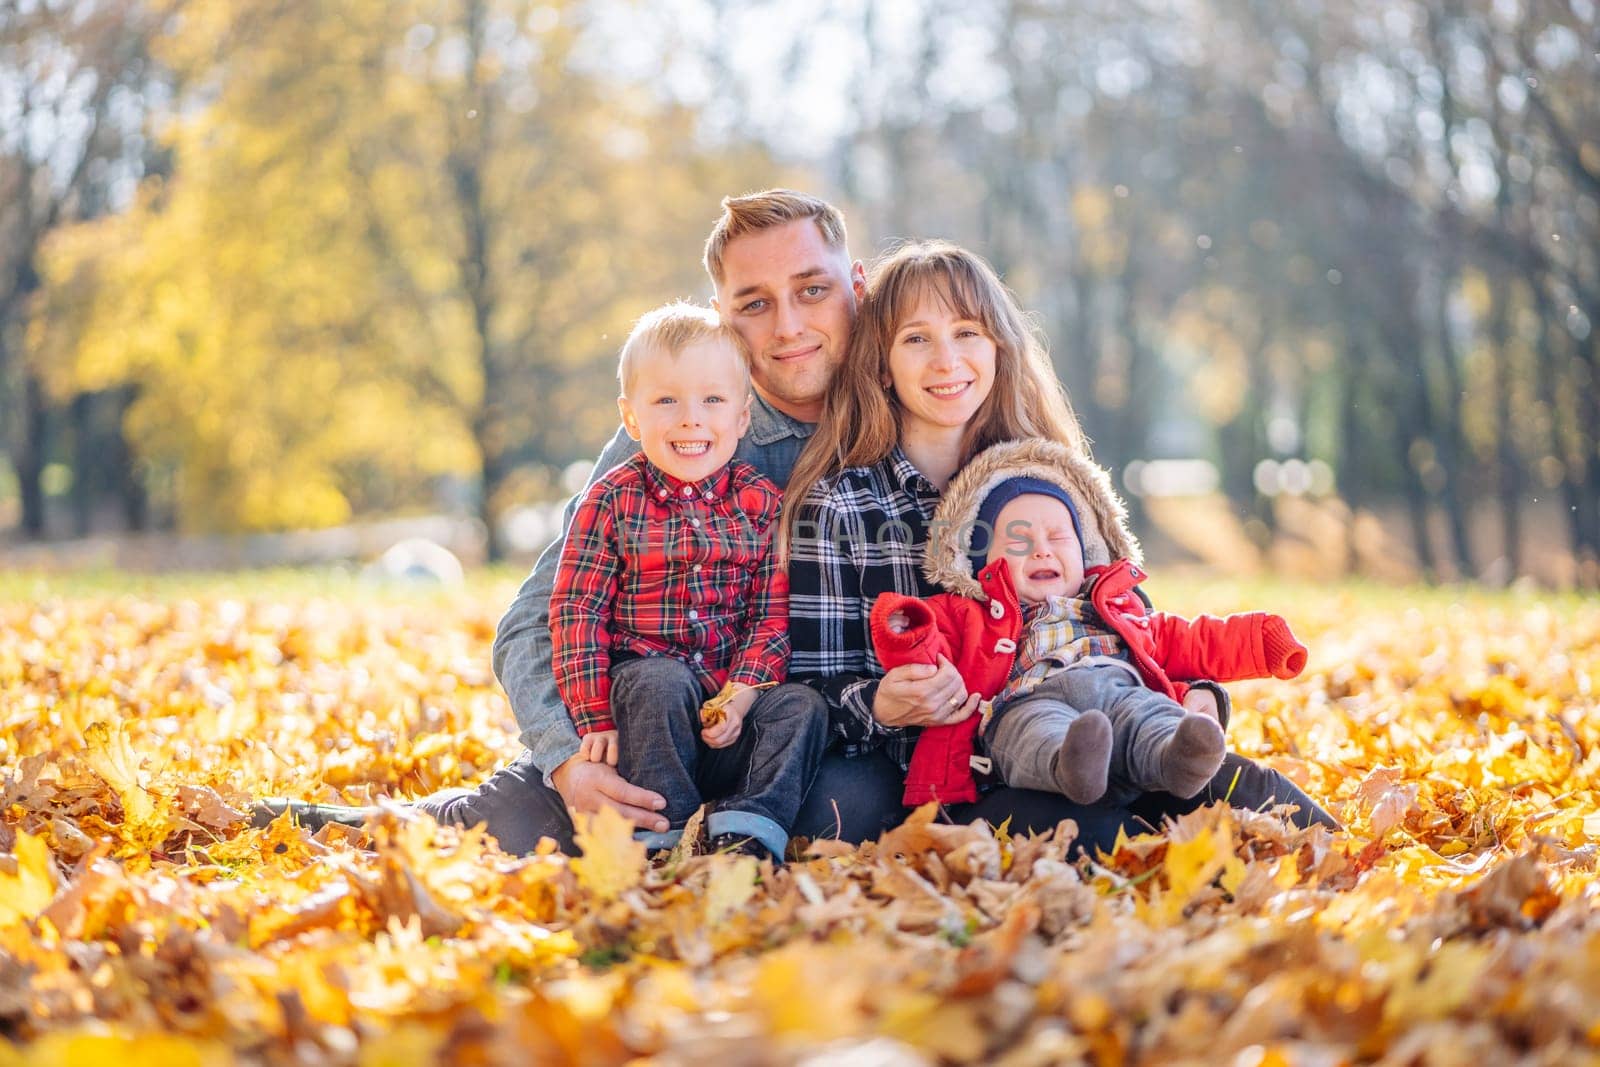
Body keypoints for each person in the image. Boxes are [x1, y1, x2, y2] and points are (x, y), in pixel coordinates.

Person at [256, 191, 1334, 851]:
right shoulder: (680, 430)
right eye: (752, 304)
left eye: (811, 290)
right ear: (719, 319)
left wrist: (1168, 680)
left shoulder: (954, 421)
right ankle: (341, 827)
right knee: (532, 823)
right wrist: (564, 753)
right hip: (672, 718)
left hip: (859, 736)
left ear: (854, 290)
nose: (787, 325)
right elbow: (535, 618)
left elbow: (1089, 590)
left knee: (902, 801)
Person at [782, 238, 1338, 836]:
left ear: (998, 346)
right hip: (971, 767)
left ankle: (1342, 864)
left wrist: (1202, 694)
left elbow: (1123, 618)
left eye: (967, 332)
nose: (946, 361)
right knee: (1090, 829)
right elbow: (814, 687)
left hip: (1116, 720)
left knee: (1238, 790)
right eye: (916, 339)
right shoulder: (841, 504)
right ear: (882, 364)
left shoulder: (1045, 477)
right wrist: (881, 704)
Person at [869, 437, 1310, 809]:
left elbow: (1194, 640)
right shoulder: (974, 613)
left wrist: (1263, 641)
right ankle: (1071, 763)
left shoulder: (1116, 610)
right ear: (985, 565)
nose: (1042, 551)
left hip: (1119, 692)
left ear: (1086, 554)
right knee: (1032, 735)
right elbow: (928, 643)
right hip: (1027, 702)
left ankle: (1176, 756)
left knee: (1150, 716)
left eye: (1058, 538)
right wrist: (907, 629)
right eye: (1019, 541)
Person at [549, 302, 825, 860]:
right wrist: (593, 717)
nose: (690, 418)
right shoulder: (612, 500)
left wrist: (743, 697)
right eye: (667, 400)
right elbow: (576, 609)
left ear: (741, 418)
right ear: (632, 418)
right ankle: (663, 830)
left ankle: (749, 826)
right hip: (646, 720)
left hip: (732, 708)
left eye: (713, 400)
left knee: (803, 707)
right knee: (657, 681)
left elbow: (769, 616)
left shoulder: (761, 504)